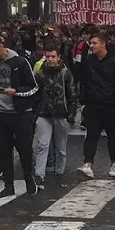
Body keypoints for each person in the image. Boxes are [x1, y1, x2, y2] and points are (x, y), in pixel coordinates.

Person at [0, 34, 39, 199]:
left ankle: (29, 179)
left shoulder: (20, 62)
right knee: (3, 151)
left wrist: (17, 92)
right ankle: (9, 185)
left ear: (1, 46)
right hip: (1, 114)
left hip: (20, 113)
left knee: (24, 149)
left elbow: (34, 87)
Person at [77, 33, 115, 179]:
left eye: (94, 43)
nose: (91, 46)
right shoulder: (88, 61)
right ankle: (88, 164)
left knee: (113, 137)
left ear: (103, 44)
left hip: (111, 105)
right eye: (90, 43)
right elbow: (84, 82)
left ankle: (114, 163)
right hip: (93, 105)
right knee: (91, 136)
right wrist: (83, 103)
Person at [33, 43, 78, 189]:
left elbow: (72, 95)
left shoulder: (66, 73)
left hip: (61, 114)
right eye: (48, 57)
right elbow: (35, 93)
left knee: (60, 147)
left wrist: (71, 113)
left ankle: (60, 173)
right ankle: (39, 175)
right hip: (44, 113)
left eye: (53, 56)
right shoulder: (40, 73)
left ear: (58, 57)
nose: (50, 59)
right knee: (42, 145)